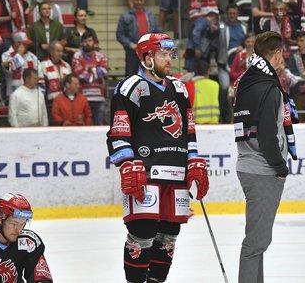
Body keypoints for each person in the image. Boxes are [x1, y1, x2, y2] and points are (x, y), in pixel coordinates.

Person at [106, 33, 209, 283]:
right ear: (147, 57)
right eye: (163, 54)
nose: (169, 60)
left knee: (169, 235)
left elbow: (189, 130)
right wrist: (127, 163)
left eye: (170, 54)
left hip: (176, 174)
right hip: (146, 174)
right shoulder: (130, 87)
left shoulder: (179, 88)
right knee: (142, 233)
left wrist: (193, 160)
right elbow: (118, 132)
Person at [233, 31, 299, 283]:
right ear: (277, 54)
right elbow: (268, 132)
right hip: (263, 169)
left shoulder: (246, 81)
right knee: (256, 242)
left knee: (257, 242)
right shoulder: (268, 87)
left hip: (248, 163)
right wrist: (280, 167)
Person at [116, 0, 161, 77]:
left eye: (141, 0)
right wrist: (130, 44)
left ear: (144, 0)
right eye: (137, 0)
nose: (139, 2)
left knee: (150, 77)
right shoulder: (125, 16)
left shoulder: (150, 15)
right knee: (130, 78)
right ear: (133, 0)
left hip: (148, 52)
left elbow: (157, 32)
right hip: (132, 52)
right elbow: (119, 34)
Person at [71, 31, 108, 125]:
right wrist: (96, 70)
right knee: (82, 124)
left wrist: (90, 70)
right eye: (85, 41)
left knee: (99, 124)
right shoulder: (77, 56)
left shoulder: (101, 56)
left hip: (99, 97)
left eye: (90, 41)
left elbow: (104, 72)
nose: (87, 43)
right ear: (82, 43)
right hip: (83, 97)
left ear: (94, 42)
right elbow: (79, 73)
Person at [1, 32, 40, 99]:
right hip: (13, 94)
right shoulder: (5, 55)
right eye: (24, 44)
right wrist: (19, 55)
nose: (27, 46)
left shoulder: (32, 56)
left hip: (30, 93)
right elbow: (9, 69)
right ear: (17, 43)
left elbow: (39, 73)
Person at [192, 60, 220, 124]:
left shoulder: (193, 85)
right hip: (213, 122)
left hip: (197, 123)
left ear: (197, 71)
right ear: (208, 71)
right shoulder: (215, 85)